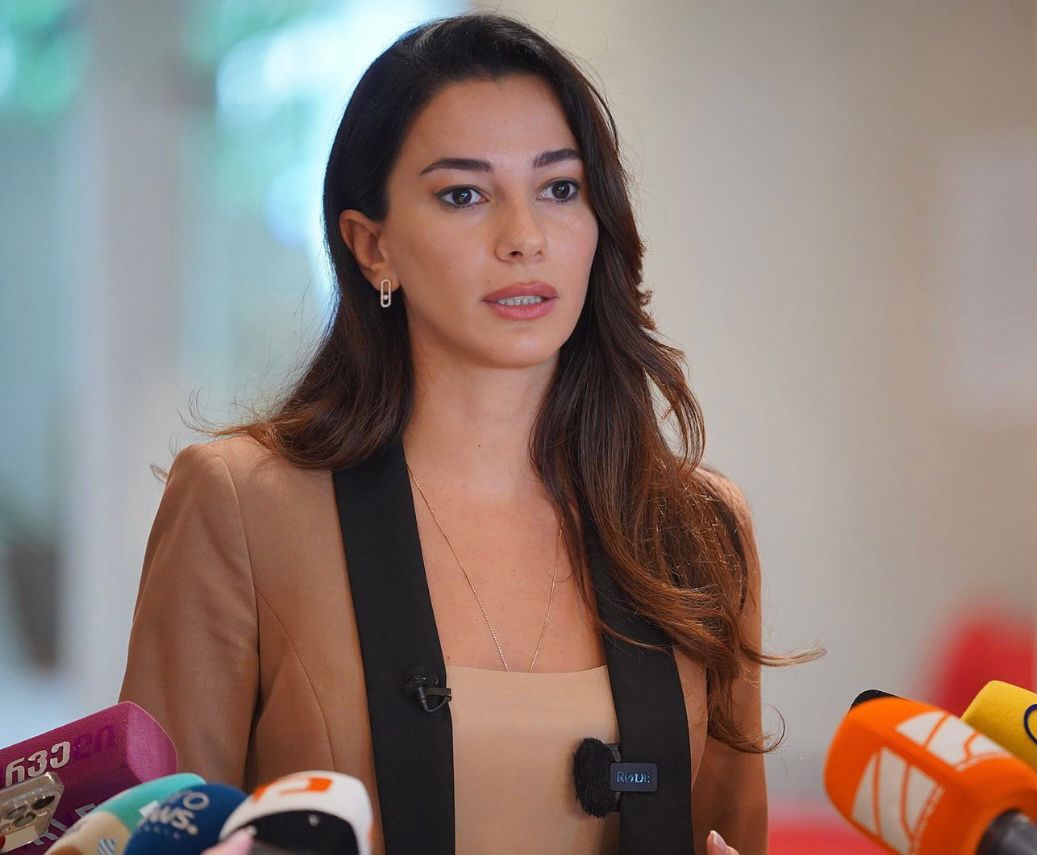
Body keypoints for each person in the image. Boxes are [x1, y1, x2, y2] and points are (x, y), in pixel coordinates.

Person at [120, 12, 813, 855]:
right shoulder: (243, 504)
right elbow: (150, 831)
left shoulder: (697, 527)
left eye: (560, 188)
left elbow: (729, 833)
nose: (524, 238)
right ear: (372, 246)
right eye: (464, 195)